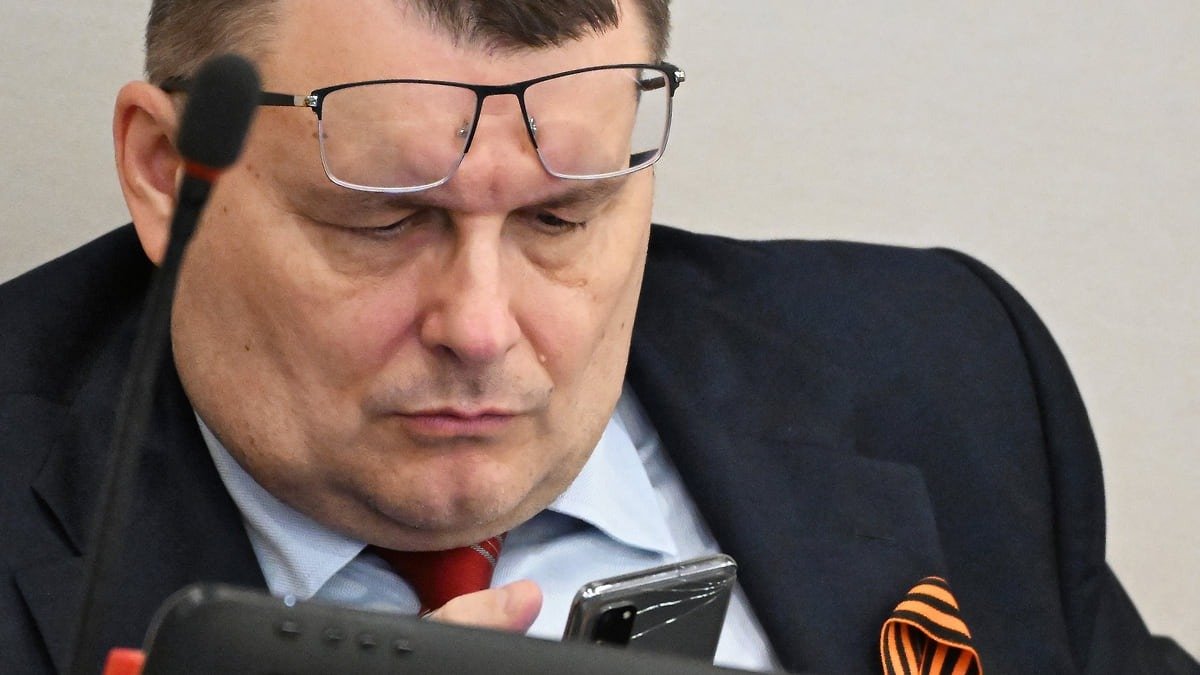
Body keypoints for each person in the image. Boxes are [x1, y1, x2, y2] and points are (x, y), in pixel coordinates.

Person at [1, 1, 1196, 673]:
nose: (480, 328)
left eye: (562, 214)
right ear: (166, 174)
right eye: (384, 221)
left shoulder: (941, 370)